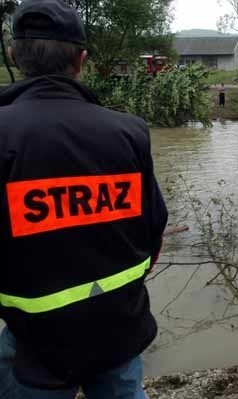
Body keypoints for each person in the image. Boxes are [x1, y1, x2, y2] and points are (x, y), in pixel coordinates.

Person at [0, 0, 168, 397]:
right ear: (82, 60)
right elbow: (154, 233)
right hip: (120, 331)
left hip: (35, 343)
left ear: (13, 55)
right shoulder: (129, 131)